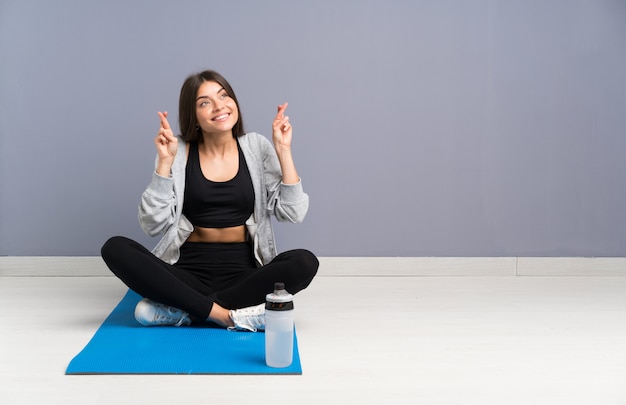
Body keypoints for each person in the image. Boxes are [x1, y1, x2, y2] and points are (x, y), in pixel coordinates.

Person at [101, 70, 318, 332]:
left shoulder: (256, 146)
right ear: (193, 116)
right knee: (115, 248)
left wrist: (284, 150)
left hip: (244, 274)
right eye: (205, 102)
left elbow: (293, 213)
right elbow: (152, 225)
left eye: (223, 96)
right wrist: (164, 165)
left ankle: (188, 310)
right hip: (186, 273)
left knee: (305, 262)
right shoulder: (177, 151)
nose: (219, 106)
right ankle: (228, 316)